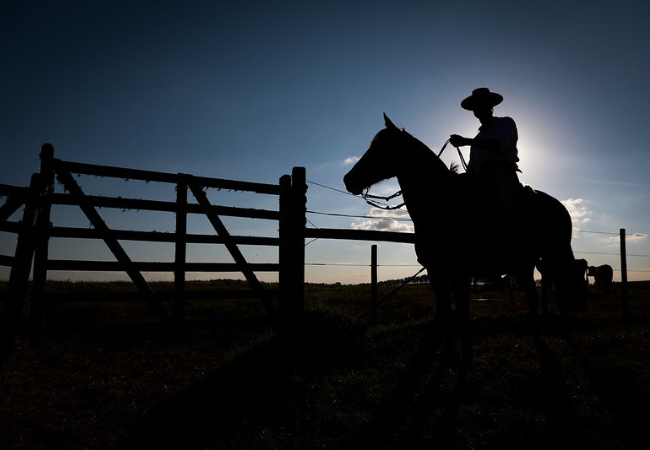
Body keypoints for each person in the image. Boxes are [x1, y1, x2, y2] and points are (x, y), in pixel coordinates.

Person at [449, 87, 521, 274]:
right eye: (475, 106)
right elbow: (472, 167)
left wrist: (466, 141)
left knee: (500, 203)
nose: (478, 109)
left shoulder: (505, 123)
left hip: (502, 174)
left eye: (482, 104)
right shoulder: (478, 137)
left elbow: (498, 145)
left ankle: (506, 250)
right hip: (481, 178)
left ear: (491, 107)